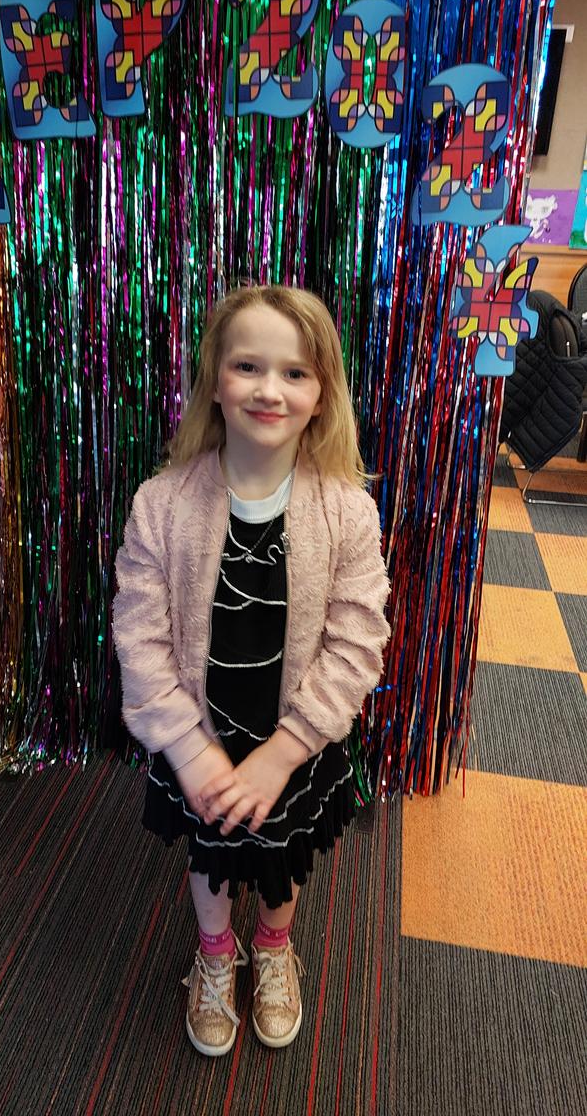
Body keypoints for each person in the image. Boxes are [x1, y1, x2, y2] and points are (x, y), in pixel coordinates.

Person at [112, 285, 390, 1058]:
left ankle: (271, 946)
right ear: (215, 381)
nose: (270, 389)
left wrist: (284, 753)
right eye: (248, 367)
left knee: (280, 857)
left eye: (294, 373)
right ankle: (214, 953)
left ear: (321, 394)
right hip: (199, 735)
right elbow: (139, 637)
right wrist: (188, 748)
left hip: (294, 741)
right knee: (210, 853)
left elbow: (356, 642)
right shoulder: (160, 505)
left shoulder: (347, 512)